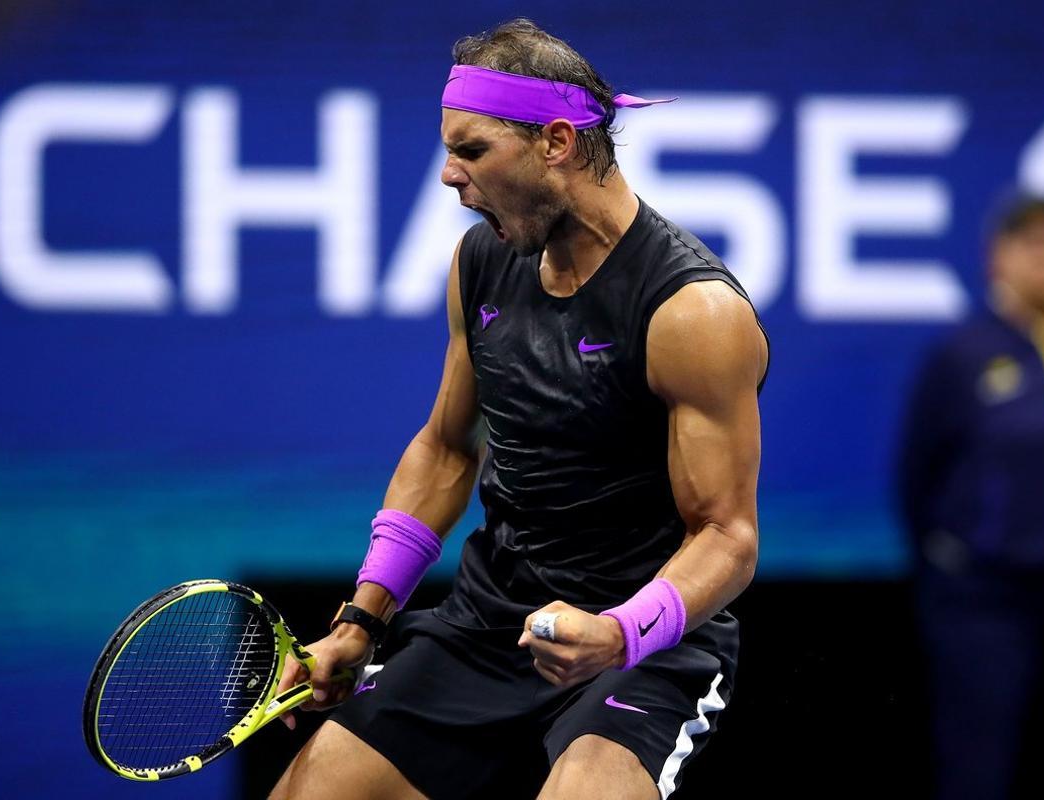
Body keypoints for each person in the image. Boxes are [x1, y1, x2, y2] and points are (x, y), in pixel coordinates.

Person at [269, 19, 769, 800]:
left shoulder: (691, 312)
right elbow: (446, 451)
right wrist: (359, 624)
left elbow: (728, 536)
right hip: (489, 620)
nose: (448, 176)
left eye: (471, 151)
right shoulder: (481, 262)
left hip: (644, 644)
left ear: (557, 144)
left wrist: (618, 633)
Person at [897, 193, 1044, 799]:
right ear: (996, 258)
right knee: (979, 768)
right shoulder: (964, 355)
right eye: (1030, 242)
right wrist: (954, 565)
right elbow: (917, 476)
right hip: (987, 601)